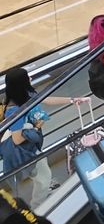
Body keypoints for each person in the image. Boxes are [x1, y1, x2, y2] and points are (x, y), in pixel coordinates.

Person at [1, 67, 82, 208]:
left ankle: (44, 187)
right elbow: (17, 140)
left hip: (30, 142)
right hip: (22, 149)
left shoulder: (25, 93)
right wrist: (37, 127)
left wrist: (72, 100)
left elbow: (46, 98)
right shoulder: (13, 110)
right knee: (43, 176)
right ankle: (38, 207)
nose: (31, 79)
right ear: (22, 83)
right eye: (28, 77)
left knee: (41, 169)